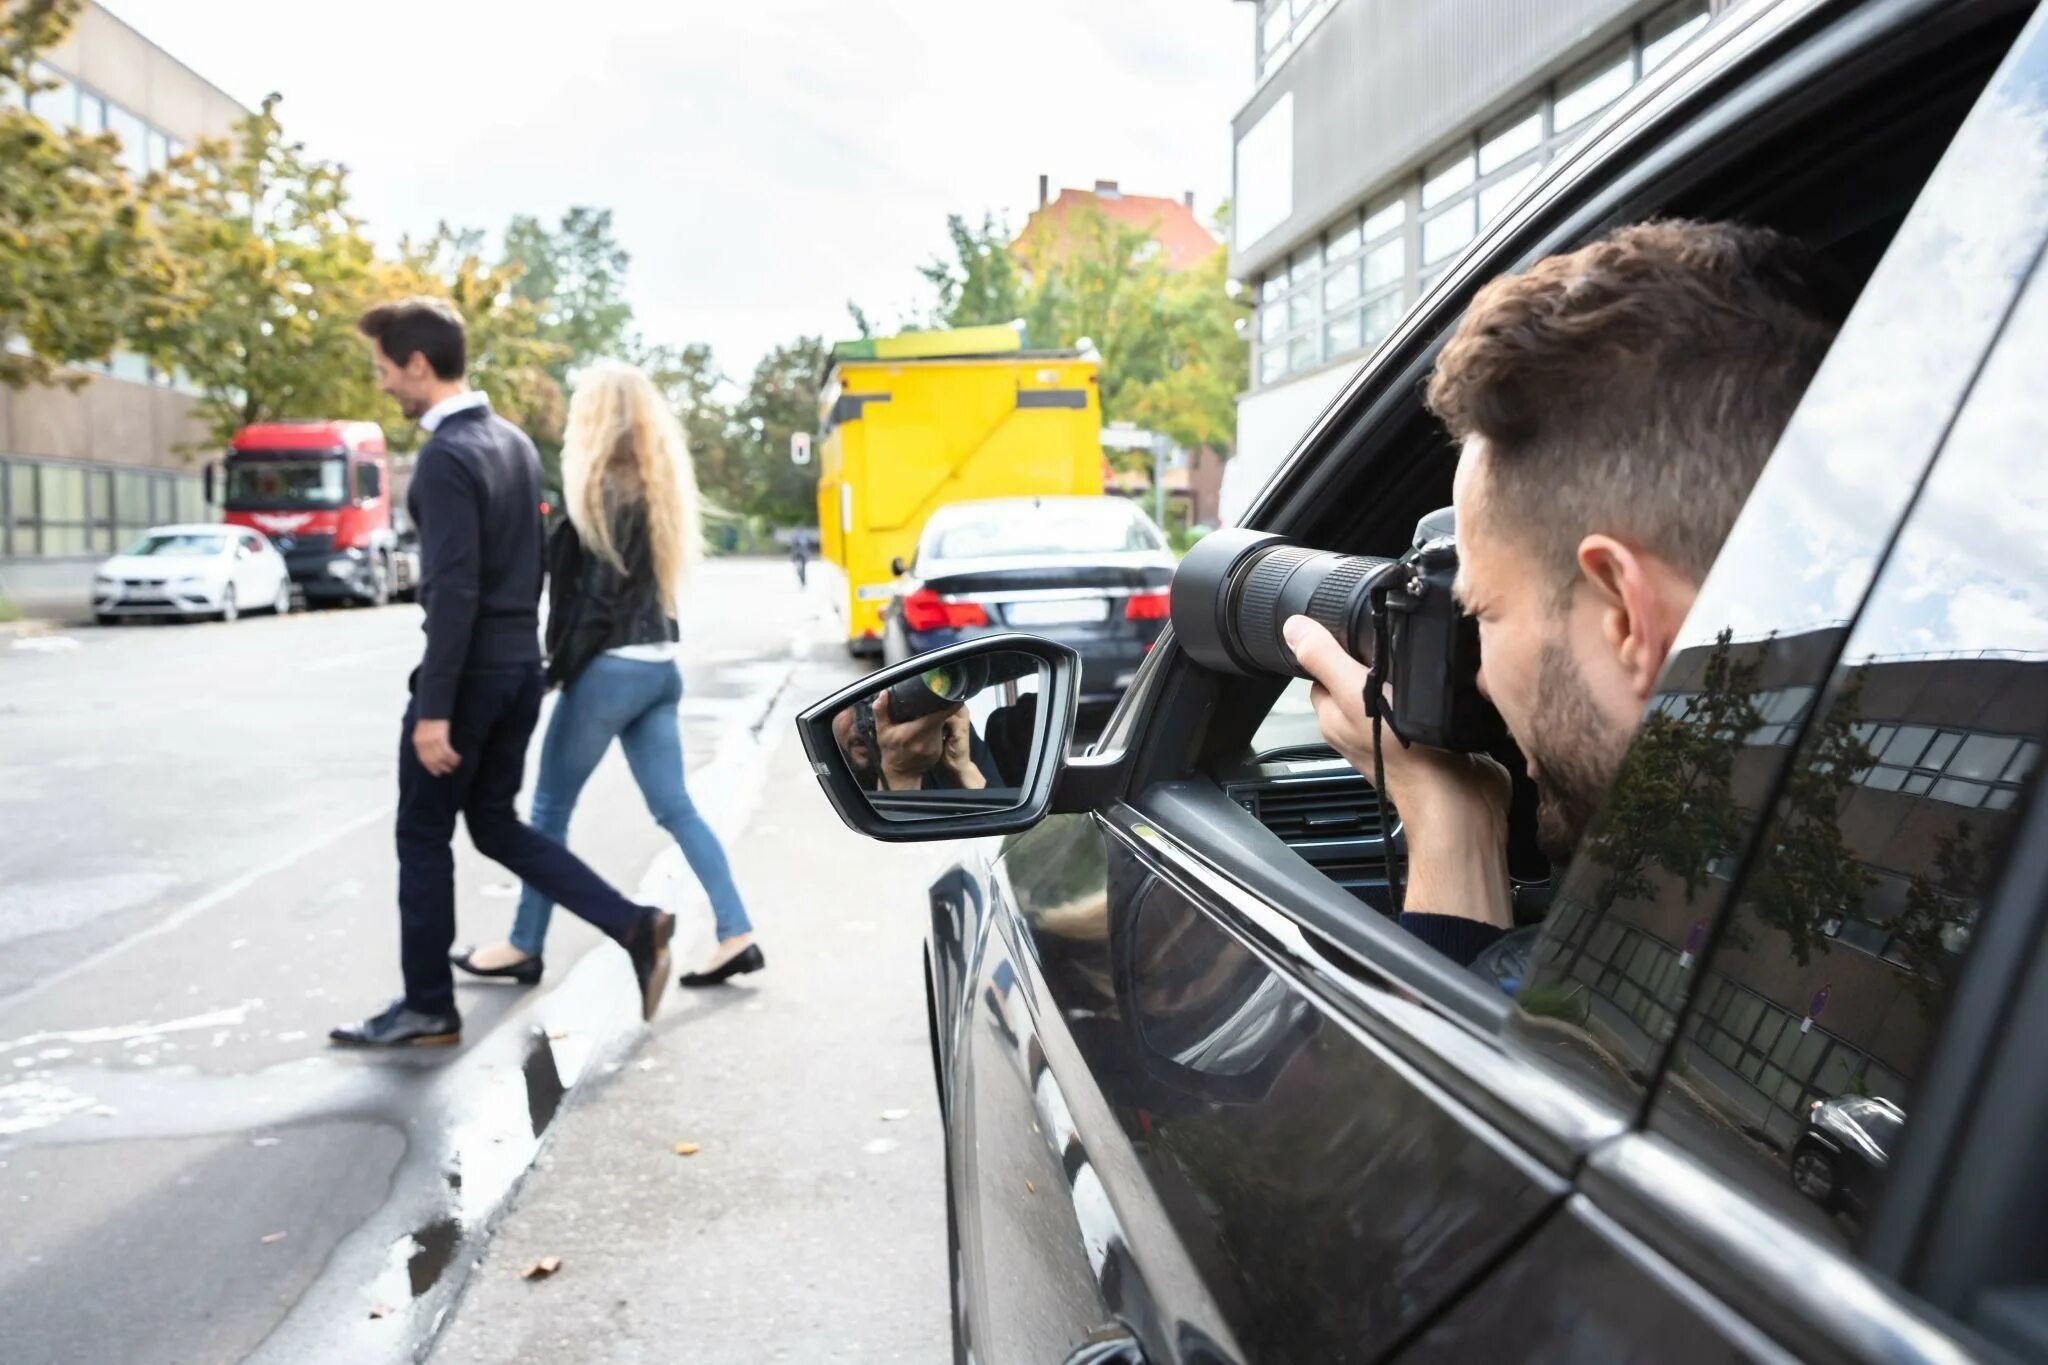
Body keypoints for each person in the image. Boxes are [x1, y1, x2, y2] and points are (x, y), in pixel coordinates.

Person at [1285, 220, 1839, 968]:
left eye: (1483, 610)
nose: (1477, 674)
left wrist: (1449, 829)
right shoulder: (1836, 877)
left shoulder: (1669, 957)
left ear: (1626, 618)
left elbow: (1458, 1086)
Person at [331, 301, 675, 1047]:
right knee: (491, 822)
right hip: (518, 671)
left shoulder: (448, 457)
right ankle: (633, 924)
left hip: (469, 678)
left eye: (384, 369)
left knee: (422, 832)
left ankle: (427, 1005)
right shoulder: (515, 444)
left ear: (418, 363)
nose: (384, 383)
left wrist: (433, 708)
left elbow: (452, 588)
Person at [450, 362, 763, 990]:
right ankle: (737, 932)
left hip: (610, 670)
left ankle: (523, 945)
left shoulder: (598, 489)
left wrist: (551, 672)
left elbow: (589, 606)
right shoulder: (657, 486)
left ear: (593, 417)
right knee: (676, 808)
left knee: (546, 812)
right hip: (657, 666)